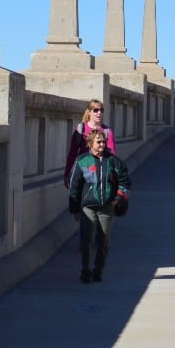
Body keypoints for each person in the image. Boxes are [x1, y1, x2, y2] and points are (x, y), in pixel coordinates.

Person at [68, 129, 131, 283]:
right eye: (98, 141)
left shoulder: (114, 161)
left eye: (103, 141)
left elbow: (125, 182)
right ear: (90, 144)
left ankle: (98, 270)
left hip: (107, 208)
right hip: (88, 207)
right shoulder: (82, 161)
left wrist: (117, 199)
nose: (102, 144)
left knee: (103, 241)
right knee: (86, 239)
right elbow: (74, 186)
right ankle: (85, 270)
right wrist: (75, 208)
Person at [64, 99, 116, 188]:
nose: (99, 113)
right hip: (83, 171)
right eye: (96, 110)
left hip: (100, 173)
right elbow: (72, 153)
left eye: (101, 110)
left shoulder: (107, 131)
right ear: (89, 112)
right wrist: (67, 173)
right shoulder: (80, 129)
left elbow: (112, 155)